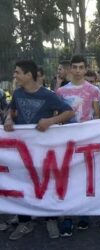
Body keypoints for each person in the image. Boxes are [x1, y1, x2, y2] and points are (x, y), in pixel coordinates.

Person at [4, 59, 74, 240]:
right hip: (22, 153)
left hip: (44, 152)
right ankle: (24, 221)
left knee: (46, 184)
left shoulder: (48, 95)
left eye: (17, 72)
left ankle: (50, 218)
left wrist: (49, 121)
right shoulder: (17, 94)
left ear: (28, 75)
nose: (15, 76)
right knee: (21, 183)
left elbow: (69, 112)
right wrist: (8, 120)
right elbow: (10, 112)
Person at [56, 54, 100, 237]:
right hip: (67, 142)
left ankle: (84, 212)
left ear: (85, 69)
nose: (77, 71)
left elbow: (98, 115)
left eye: (80, 67)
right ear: (70, 69)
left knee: (85, 178)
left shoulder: (94, 90)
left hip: (87, 141)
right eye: (74, 67)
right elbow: (59, 115)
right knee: (67, 178)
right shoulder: (61, 92)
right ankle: (67, 218)